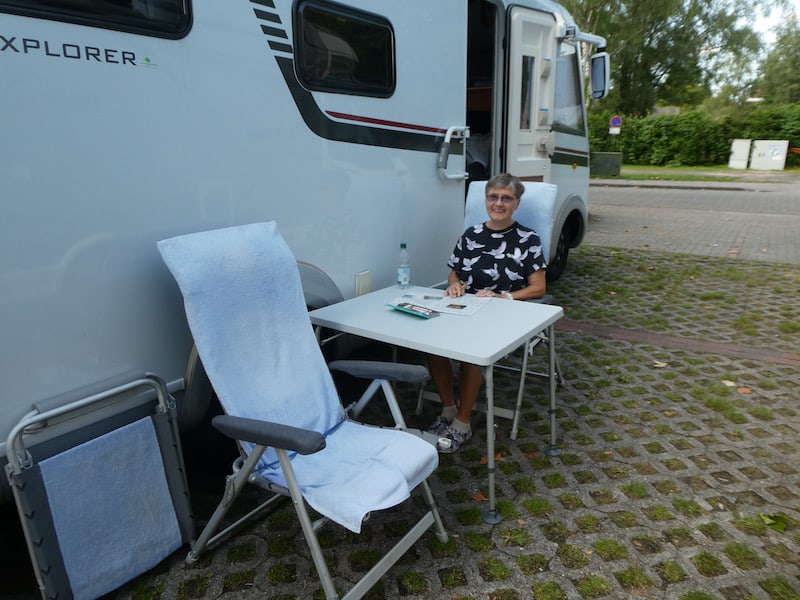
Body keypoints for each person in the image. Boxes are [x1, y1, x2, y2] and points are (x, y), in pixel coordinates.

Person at [427, 173, 547, 453]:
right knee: (432, 344)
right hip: (468, 307)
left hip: (504, 311)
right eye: (493, 197)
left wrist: (504, 296)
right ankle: (447, 409)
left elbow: (538, 288)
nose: (499, 203)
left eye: (506, 198)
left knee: (472, 351)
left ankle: (462, 423)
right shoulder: (471, 235)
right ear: (486, 200)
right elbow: (455, 272)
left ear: (516, 203)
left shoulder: (528, 239)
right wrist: (454, 285)